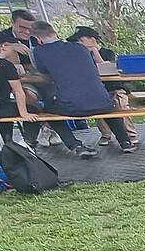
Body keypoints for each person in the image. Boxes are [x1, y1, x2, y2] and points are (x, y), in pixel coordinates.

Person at [28, 20, 133, 154]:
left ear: (37, 38)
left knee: (47, 111)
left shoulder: (40, 51)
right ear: (55, 33)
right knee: (102, 102)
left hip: (72, 107)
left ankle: (75, 145)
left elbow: (44, 72)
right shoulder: (80, 48)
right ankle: (125, 142)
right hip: (104, 103)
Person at [0, 30, 81, 153]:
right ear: (4, 46)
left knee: (8, 108)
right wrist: (25, 113)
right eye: (11, 46)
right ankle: (28, 143)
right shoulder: (7, 66)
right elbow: (18, 92)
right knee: (34, 109)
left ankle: (1, 143)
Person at [70, 26, 135, 146]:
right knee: (97, 108)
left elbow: (106, 68)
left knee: (121, 106)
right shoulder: (80, 55)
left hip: (114, 87)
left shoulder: (107, 52)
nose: (79, 44)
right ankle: (105, 134)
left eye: (81, 41)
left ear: (92, 39)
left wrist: (95, 51)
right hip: (96, 89)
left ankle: (130, 134)